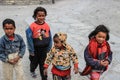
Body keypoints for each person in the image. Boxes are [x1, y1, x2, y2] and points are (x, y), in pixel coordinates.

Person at [25, 6, 52, 79]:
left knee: (43, 65)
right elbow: (29, 39)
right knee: (34, 63)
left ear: (45, 16)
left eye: (43, 15)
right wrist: (31, 50)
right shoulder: (32, 26)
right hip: (35, 49)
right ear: (35, 16)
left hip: (44, 49)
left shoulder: (47, 25)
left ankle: (44, 78)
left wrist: (49, 48)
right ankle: (32, 70)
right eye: (39, 15)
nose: (41, 17)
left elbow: (50, 37)